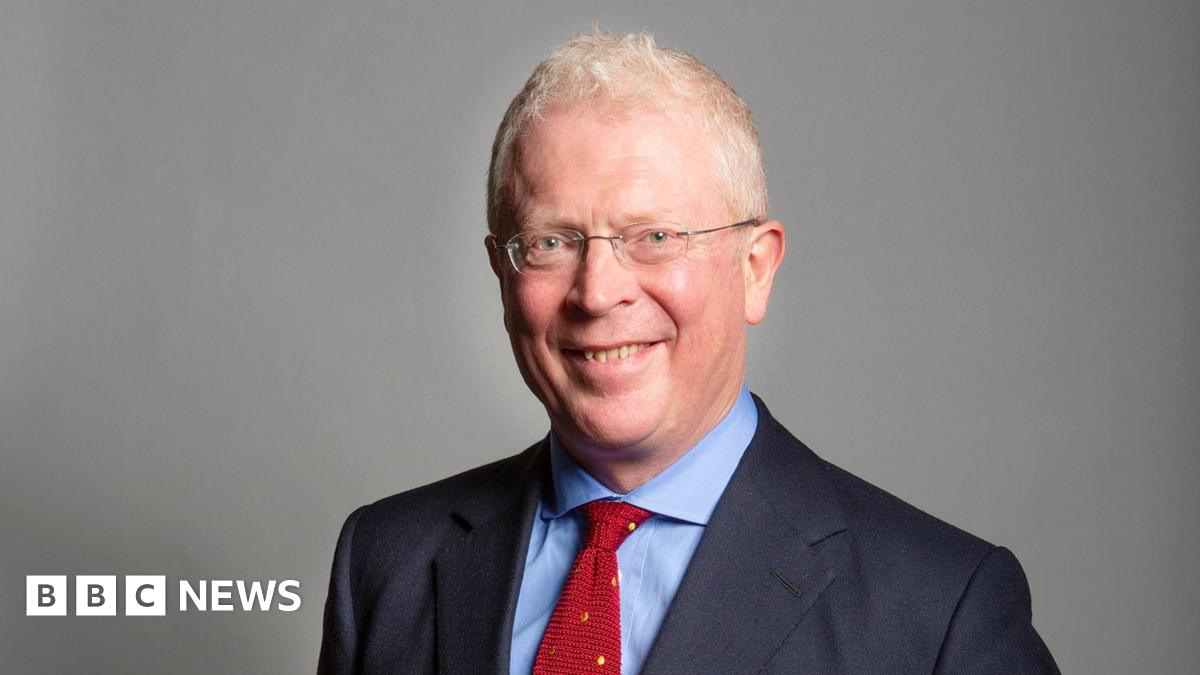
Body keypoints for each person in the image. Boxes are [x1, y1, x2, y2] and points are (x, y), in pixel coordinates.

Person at [318, 31, 1059, 674]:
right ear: (503, 273)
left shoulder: (940, 610)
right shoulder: (387, 562)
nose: (598, 291)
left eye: (656, 236)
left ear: (755, 268)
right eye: (552, 242)